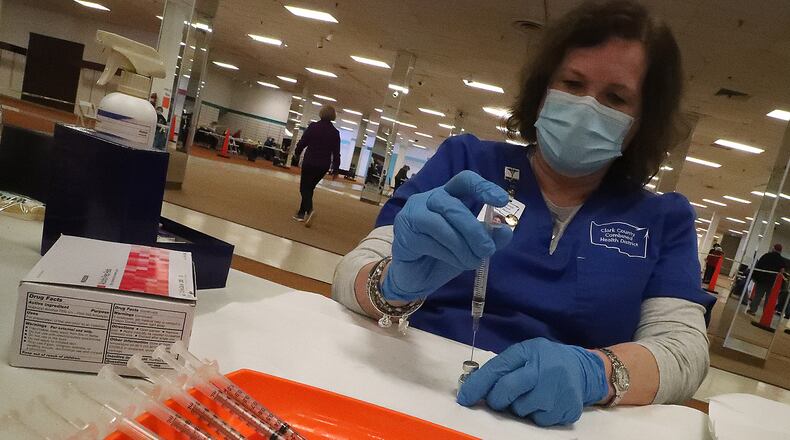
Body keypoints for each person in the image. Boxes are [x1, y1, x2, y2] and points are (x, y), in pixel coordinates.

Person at [332, 0, 715, 427]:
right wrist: (392, 283)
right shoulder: (467, 164)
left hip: (561, 422)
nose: (587, 107)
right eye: (572, 83)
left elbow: (685, 351)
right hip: (414, 390)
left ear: (642, 122)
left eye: (615, 98)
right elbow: (350, 273)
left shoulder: (663, 218)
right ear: (542, 90)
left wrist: (595, 373)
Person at [292, 105, 340, 226]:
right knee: (310, 188)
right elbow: (336, 152)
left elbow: (303, 141)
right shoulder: (335, 133)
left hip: (310, 162)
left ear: (321, 113)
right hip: (323, 165)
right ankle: (301, 213)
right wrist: (336, 168)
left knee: (304, 188)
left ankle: (310, 210)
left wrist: (296, 153)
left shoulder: (313, 127)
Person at [747, 244, 787, 316]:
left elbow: (758, 266)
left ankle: (752, 310)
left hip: (761, 280)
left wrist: (755, 277)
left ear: (774, 248)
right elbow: (782, 271)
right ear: (780, 251)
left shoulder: (766, 256)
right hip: (772, 282)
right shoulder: (781, 260)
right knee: (769, 299)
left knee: (758, 296)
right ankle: (765, 314)